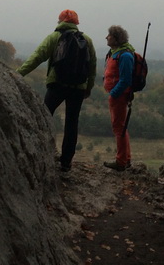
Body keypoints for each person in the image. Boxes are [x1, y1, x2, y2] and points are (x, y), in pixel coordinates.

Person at [16, 9, 97, 172]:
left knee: (44, 116)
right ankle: (66, 162)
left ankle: (40, 152)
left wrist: (17, 74)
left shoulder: (55, 37)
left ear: (60, 21)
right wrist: (88, 88)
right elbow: (92, 67)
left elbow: (37, 57)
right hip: (78, 88)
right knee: (72, 122)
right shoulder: (87, 40)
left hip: (57, 84)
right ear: (76, 23)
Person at [103, 25, 134, 171]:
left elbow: (126, 79)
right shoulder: (115, 52)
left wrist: (114, 94)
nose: (107, 37)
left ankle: (121, 161)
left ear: (116, 38)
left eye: (109, 35)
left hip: (119, 96)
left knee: (119, 128)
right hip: (116, 95)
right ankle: (125, 159)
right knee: (120, 127)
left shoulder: (125, 55)